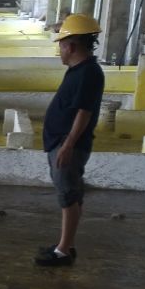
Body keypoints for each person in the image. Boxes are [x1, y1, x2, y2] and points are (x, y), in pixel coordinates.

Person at [36, 14, 104, 268]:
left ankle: (63, 250)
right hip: (62, 142)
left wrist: (68, 144)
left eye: (62, 45)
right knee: (70, 193)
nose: (60, 51)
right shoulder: (79, 71)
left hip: (67, 145)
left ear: (72, 46)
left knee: (68, 196)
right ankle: (66, 245)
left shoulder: (88, 73)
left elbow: (84, 112)